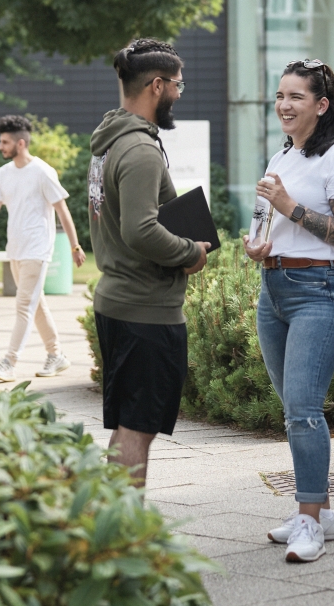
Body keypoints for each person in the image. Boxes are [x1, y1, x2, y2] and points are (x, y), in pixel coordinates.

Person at [242, 58, 334, 564]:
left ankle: (309, 523)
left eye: (295, 97)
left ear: (322, 105)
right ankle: (323, 513)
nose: (284, 105)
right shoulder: (282, 155)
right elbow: (267, 218)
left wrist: (291, 207)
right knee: (296, 411)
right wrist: (258, 243)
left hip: (323, 291)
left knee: (303, 411)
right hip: (275, 289)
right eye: (279, 96)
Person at [89, 38, 210, 488]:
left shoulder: (108, 143)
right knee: (137, 429)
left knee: (127, 425)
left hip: (119, 301)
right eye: (178, 85)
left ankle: (113, 527)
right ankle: (125, 539)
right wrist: (190, 253)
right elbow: (139, 230)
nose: (180, 93)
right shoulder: (138, 150)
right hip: (145, 310)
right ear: (156, 85)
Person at [0, 115, 86, 382]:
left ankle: (9, 362)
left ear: (21, 143)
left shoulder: (43, 172)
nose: (0, 146)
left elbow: (62, 210)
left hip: (37, 248)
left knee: (24, 305)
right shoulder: (3, 174)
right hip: (16, 249)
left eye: (5, 142)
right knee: (36, 303)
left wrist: (75, 245)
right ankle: (56, 355)